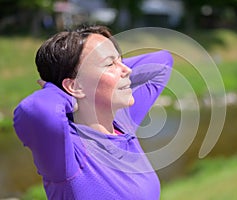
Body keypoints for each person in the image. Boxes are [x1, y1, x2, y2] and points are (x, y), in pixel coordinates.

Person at [13, 25, 173, 200]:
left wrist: (110, 70)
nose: (127, 70)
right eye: (109, 64)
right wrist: (66, 94)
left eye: (121, 60)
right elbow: (35, 109)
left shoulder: (122, 122)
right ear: (74, 86)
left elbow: (162, 62)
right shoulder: (68, 153)